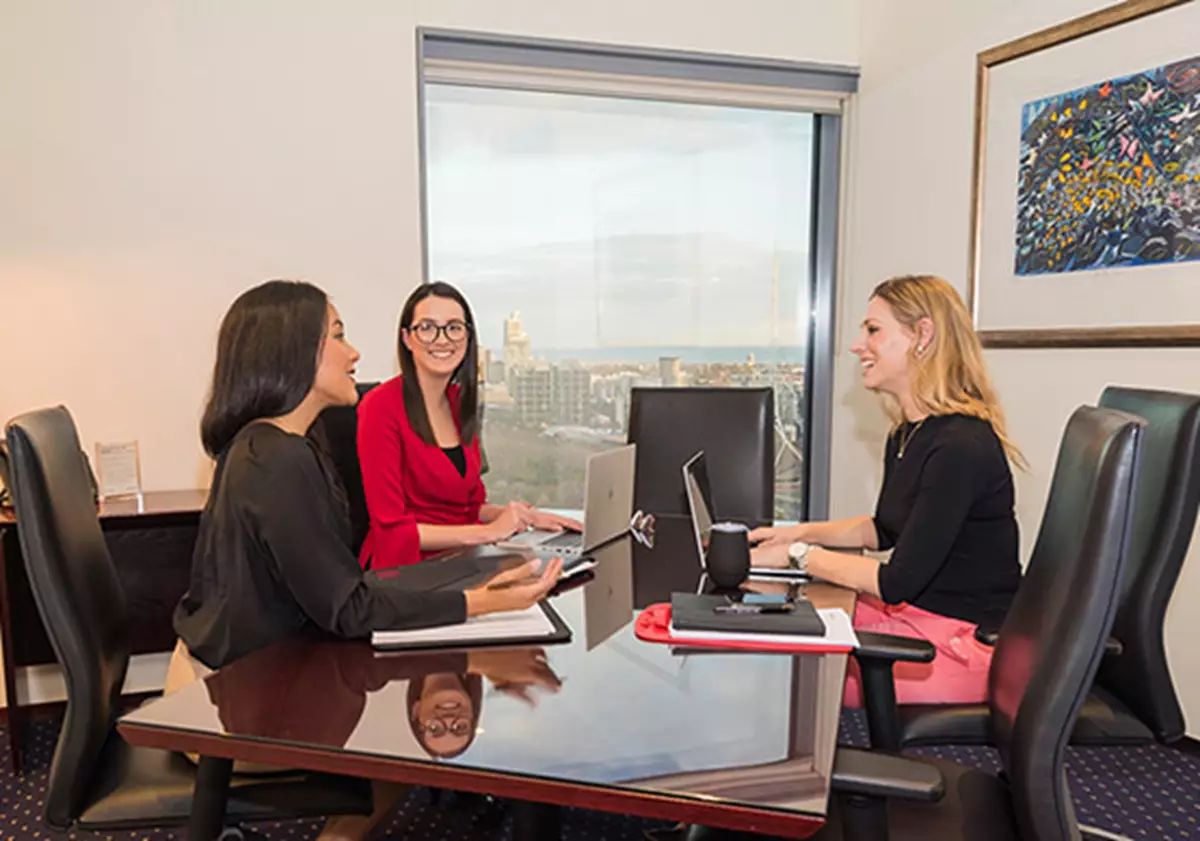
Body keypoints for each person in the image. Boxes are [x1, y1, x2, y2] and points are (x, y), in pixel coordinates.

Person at [168, 279, 562, 841]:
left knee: (411, 705)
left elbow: (342, 590)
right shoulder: (274, 461)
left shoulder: (281, 446)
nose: (353, 353)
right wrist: (479, 604)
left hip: (248, 675)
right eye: (337, 336)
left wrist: (473, 599)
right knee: (407, 737)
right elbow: (349, 606)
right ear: (293, 352)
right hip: (232, 703)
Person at [751, 274, 1024, 707]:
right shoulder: (909, 433)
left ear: (922, 336)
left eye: (873, 330)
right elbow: (883, 530)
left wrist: (797, 556)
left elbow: (897, 581)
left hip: (957, 644)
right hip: (918, 619)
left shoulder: (960, 447)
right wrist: (794, 534)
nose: (857, 345)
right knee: (777, 628)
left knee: (788, 680)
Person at [357, 281, 579, 570]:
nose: (442, 339)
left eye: (454, 327)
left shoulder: (457, 403)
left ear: (467, 337)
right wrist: (491, 532)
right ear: (407, 339)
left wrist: (525, 518)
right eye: (427, 327)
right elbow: (392, 530)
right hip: (405, 572)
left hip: (460, 560)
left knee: (555, 574)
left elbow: (468, 508)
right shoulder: (379, 407)